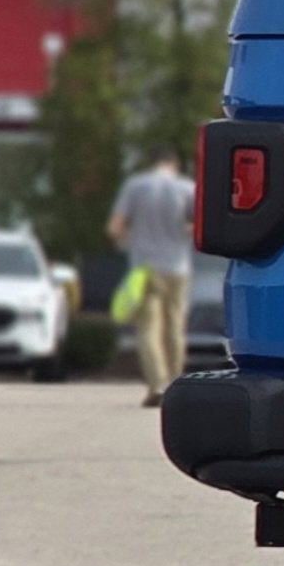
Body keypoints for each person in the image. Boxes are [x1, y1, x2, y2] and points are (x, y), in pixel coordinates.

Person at [106, 148, 195, 407]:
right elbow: (198, 225)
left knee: (148, 329)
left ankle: (157, 386)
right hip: (178, 267)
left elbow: (114, 227)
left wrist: (125, 242)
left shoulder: (135, 186)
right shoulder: (187, 187)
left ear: (151, 162)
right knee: (175, 327)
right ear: (174, 164)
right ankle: (177, 384)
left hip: (145, 268)